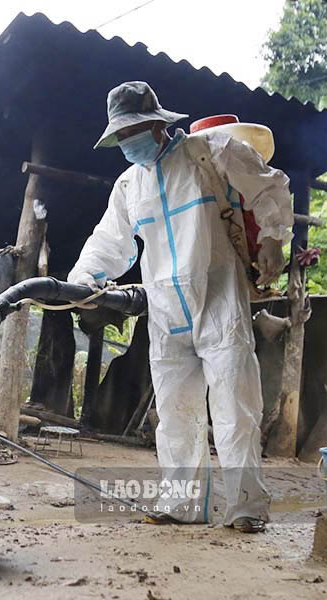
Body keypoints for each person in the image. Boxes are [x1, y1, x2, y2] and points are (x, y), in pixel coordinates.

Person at [67, 81, 293, 533]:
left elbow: (270, 187)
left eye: (133, 132)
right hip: (166, 310)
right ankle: (183, 503)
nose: (127, 144)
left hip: (218, 299)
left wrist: (272, 238)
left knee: (235, 407)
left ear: (156, 123)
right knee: (175, 412)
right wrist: (81, 280)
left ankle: (247, 506)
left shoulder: (209, 152)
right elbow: (110, 242)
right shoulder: (129, 184)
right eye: (121, 137)